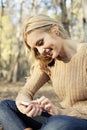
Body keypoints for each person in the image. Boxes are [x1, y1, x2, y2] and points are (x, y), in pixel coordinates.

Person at [0, 14, 87, 130]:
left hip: (79, 121)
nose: (41, 52)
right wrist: (27, 106)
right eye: (36, 49)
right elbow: (25, 92)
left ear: (55, 30)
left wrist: (60, 112)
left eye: (40, 43)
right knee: (5, 106)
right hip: (58, 118)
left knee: (57, 124)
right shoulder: (47, 62)